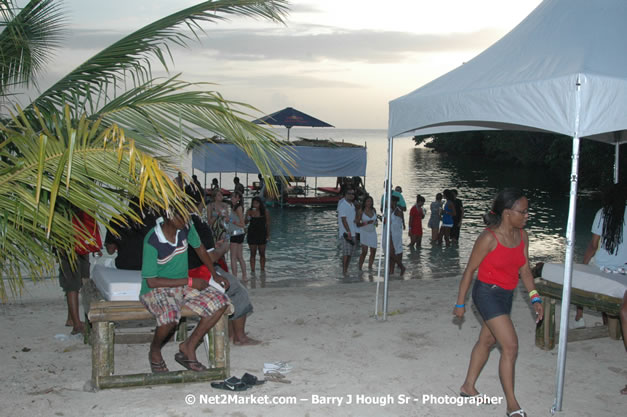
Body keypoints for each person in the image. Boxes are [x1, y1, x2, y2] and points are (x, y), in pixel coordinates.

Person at [454, 188, 543, 417]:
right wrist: (461, 303)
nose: (526, 216)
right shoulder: (488, 238)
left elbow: (524, 269)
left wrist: (535, 298)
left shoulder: (522, 236)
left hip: (506, 295)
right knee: (510, 346)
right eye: (523, 212)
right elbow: (470, 270)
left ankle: (468, 386)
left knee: (487, 339)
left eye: (527, 212)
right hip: (486, 293)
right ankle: (512, 404)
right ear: (507, 213)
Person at [140, 209, 231, 373]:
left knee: (221, 302)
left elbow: (200, 249)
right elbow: (151, 281)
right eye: (181, 216)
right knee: (169, 318)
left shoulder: (186, 227)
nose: (185, 219)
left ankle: (189, 345)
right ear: (168, 216)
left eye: (186, 215)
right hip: (156, 288)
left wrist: (214, 274)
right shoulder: (152, 240)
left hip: (181, 286)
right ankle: (154, 350)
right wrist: (190, 281)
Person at [576, 182, 627, 392]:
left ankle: (579, 312)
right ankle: (605, 322)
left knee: (584, 279)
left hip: (603, 270)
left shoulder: (602, 213)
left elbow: (592, 245)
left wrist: (582, 264)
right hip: (623, 271)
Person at [187, 210, 260, 346]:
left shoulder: (180, 221)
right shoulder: (195, 222)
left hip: (185, 270)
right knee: (238, 291)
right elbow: (210, 257)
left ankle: (231, 334)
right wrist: (223, 249)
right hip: (197, 272)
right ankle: (239, 337)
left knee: (230, 286)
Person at [59, 208, 102, 335]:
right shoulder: (70, 199)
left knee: (79, 281)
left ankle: (72, 319)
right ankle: (77, 324)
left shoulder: (68, 199)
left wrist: (94, 243)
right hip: (72, 243)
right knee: (73, 284)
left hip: (78, 242)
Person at [246, 196, 270, 273]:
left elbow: (268, 224)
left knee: (262, 253)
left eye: (256, 203)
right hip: (252, 233)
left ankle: (262, 270)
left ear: (260, 204)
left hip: (262, 233)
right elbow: (245, 222)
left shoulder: (265, 211)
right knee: (252, 253)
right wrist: (249, 217)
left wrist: (268, 235)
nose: (255, 205)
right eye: (253, 203)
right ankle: (252, 271)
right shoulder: (249, 211)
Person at [383, 195, 406, 275]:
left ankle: (401, 266)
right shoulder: (390, 210)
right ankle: (391, 270)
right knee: (391, 252)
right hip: (389, 232)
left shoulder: (397, 210)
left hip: (393, 233)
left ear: (394, 201)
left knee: (391, 252)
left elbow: (399, 223)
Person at [338, 188, 357, 275]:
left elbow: (352, 219)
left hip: (353, 232)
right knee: (346, 253)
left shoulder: (352, 205)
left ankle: (346, 269)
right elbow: (343, 220)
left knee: (350, 253)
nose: (351, 195)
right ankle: (344, 271)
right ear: (345, 194)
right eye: (349, 193)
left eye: (352, 194)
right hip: (346, 233)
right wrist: (348, 232)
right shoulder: (343, 205)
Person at [228, 191, 247, 280]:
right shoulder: (234, 207)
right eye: (232, 197)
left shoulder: (238, 208)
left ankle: (235, 277)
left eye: (235, 197)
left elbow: (243, 224)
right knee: (239, 256)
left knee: (233, 257)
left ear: (238, 199)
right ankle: (244, 276)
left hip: (236, 234)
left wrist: (231, 221)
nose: (232, 198)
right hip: (239, 233)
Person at [356, 195, 378, 270]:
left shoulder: (374, 210)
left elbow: (375, 222)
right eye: (368, 201)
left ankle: (370, 267)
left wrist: (376, 223)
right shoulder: (361, 211)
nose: (369, 203)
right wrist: (367, 223)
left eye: (371, 201)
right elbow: (357, 224)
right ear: (365, 202)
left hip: (372, 232)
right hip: (364, 232)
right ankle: (360, 267)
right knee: (364, 251)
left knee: (373, 251)